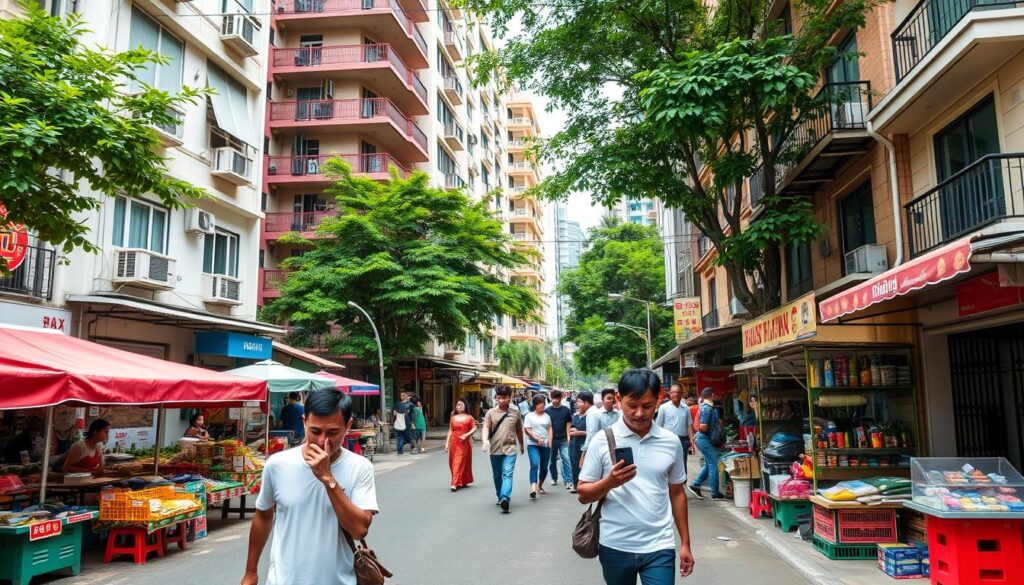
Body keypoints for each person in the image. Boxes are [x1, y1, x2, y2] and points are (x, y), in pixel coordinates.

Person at [243, 389, 377, 585]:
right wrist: (250, 572)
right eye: (315, 431)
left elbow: (359, 530)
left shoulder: (360, 468)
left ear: (347, 426)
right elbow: (263, 516)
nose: (324, 442)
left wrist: (328, 479)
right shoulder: (277, 464)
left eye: (332, 432)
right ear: (304, 421)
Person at [578, 369, 695, 584]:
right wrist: (610, 482)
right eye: (632, 405)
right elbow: (583, 494)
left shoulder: (671, 441)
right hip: (615, 545)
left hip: (659, 545)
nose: (639, 413)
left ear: (659, 399)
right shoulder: (602, 441)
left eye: (647, 406)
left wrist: (685, 543)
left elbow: (677, 492)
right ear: (620, 400)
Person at [481, 386, 524, 513]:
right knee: (497, 475)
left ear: (509, 398)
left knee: (508, 473)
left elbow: (519, 430)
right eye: (498, 398)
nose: (501, 400)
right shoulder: (490, 413)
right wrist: (485, 441)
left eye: (504, 398)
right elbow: (486, 427)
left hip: (510, 448)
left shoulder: (515, 413)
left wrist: (521, 444)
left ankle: (505, 497)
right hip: (494, 449)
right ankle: (500, 496)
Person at [688, 387, 725, 500]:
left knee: (709, 464)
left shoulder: (707, 407)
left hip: (704, 439)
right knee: (713, 464)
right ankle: (714, 493)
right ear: (712, 395)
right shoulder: (707, 408)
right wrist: (715, 430)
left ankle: (695, 484)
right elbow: (703, 427)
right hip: (705, 439)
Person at [654, 384, 695, 476]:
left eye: (677, 393)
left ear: (681, 394)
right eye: (672, 392)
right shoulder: (663, 408)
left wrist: (692, 439)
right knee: (668, 461)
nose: (675, 395)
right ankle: (668, 482)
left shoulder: (686, 408)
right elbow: (658, 426)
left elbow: (689, 425)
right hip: (668, 440)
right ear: (669, 394)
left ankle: (682, 483)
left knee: (682, 462)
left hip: (683, 440)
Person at [524, 394, 552, 499]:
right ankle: (533, 489)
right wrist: (536, 438)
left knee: (544, 467)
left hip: (545, 444)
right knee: (535, 464)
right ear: (535, 405)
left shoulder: (547, 416)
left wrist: (550, 440)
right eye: (540, 403)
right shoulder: (529, 416)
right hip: (532, 444)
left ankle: (540, 485)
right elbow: (527, 429)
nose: (543, 405)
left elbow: (550, 428)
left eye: (543, 403)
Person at [445, 398, 477, 491]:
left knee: (458, 462)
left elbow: (474, 428)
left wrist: (466, 435)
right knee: (453, 462)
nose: (458, 407)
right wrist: (447, 443)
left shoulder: (469, 417)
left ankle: (454, 483)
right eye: (457, 405)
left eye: (461, 405)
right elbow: (450, 430)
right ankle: (462, 480)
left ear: (465, 406)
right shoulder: (453, 418)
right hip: (454, 442)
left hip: (464, 443)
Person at [545, 389, 573, 489]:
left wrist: (569, 437)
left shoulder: (566, 410)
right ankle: (554, 477)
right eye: (553, 398)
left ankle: (568, 480)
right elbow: (547, 427)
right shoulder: (547, 411)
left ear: (561, 398)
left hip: (563, 439)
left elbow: (568, 425)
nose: (555, 400)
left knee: (566, 459)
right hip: (552, 439)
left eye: (557, 398)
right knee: (552, 460)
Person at [582, 388, 621, 457]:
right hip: (601, 450)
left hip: (617, 449)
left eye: (612, 398)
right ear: (602, 400)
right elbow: (591, 435)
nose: (611, 401)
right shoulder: (597, 415)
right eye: (608, 398)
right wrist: (584, 454)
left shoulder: (619, 414)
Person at [568, 391, 593, 494]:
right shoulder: (574, 416)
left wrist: (579, 433)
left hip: (585, 444)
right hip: (574, 444)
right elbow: (571, 429)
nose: (577, 404)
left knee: (585, 465)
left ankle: (584, 485)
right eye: (576, 402)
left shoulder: (591, 416)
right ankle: (575, 485)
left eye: (579, 402)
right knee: (574, 464)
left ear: (587, 403)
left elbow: (593, 432)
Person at [392, 391, 416, 455]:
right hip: (403, 423)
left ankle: (400, 449)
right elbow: (394, 413)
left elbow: (394, 413)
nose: (402, 396)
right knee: (406, 436)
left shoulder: (410, 404)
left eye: (403, 395)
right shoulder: (409, 404)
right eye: (401, 395)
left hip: (405, 423)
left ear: (406, 396)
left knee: (404, 437)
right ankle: (400, 449)